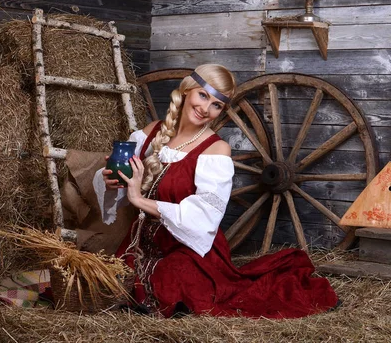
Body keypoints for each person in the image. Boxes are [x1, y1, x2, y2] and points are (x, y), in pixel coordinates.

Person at [93, 64, 338, 318]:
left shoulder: (216, 150)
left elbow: (204, 217)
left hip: (190, 249)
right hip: (140, 243)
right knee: (105, 281)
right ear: (187, 90)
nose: (205, 109)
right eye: (203, 95)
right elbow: (121, 184)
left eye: (216, 105)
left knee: (171, 281)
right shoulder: (151, 133)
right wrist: (112, 180)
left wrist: (138, 199)